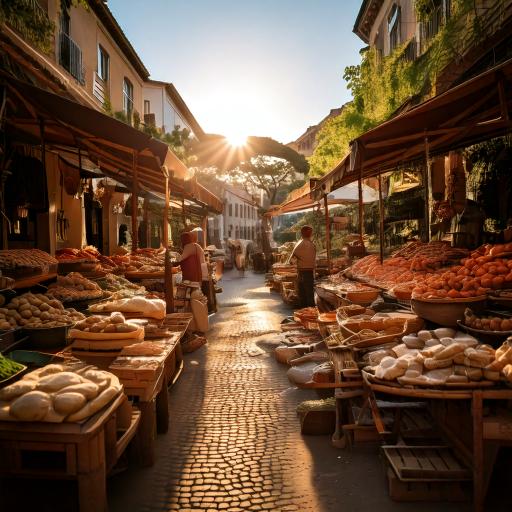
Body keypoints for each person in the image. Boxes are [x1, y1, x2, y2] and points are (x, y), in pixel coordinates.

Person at [287, 225, 316, 307]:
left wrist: (299, 260)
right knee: (309, 295)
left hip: (302, 273)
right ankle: (310, 314)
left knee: (303, 296)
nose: (311, 234)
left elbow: (291, 261)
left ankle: (305, 313)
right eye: (311, 232)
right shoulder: (312, 244)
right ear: (308, 233)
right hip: (308, 273)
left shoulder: (299, 244)